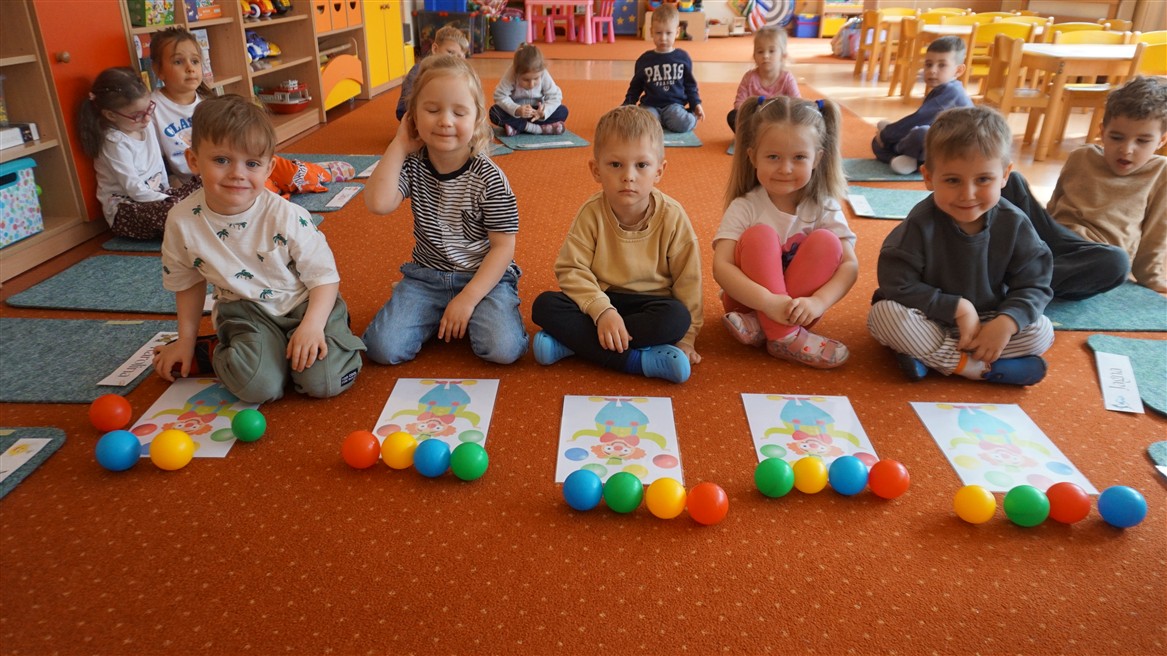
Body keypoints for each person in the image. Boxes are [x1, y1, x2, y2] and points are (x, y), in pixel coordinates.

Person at [152, 95, 365, 403]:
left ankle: (329, 332)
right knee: (258, 388)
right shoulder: (181, 220)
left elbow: (324, 278)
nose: (237, 173)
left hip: (304, 303)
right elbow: (187, 283)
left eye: (251, 163)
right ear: (194, 160)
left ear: (268, 169)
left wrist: (313, 325)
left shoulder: (287, 216)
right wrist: (186, 340)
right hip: (245, 311)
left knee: (325, 381)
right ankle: (215, 350)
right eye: (221, 160)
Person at [868, 106, 1054, 386]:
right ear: (928, 177)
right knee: (883, 316)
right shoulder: (921, 223)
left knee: (1042, 330)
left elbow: (1036, 284)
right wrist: (957, 308)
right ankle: (978, 368)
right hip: (929, 317)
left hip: (989, 320)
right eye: (953, 180)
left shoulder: (1015, 223)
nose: (968, 194)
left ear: (1005, 175)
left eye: (983, 179)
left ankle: (931, 358)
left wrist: (1006, 323)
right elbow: (896, 283)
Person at [362, 55, 528, 366]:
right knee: (382, 348)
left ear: (477, 119)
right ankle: (436, 310)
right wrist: (399, 144)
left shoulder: (489, 178)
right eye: (432, 110)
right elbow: (378, 203)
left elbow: (504, 247)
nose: (445, 121)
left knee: (503, 349)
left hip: (484, 278)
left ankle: (458, 311)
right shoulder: (412, 164)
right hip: (427, 277)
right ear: (412, 116)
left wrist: (468, 298)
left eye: (459, 112)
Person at [531, 105, 701, 384]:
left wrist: (687, 339)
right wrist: (603, 311)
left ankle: (574, 344)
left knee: (676, 319)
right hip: (601, 299)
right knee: (545, 305)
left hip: (651, 306)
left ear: (659, 171)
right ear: (596, 170)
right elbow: (571, 269)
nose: (628, 176)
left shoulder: (673, 216)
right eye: (615, 165)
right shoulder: (591, 213)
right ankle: (636, 361)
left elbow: (688, 280)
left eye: (641, 165)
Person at [713, 96, 857, 369]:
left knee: (828, 242)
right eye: (773, 157)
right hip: (746, 305)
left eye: (799, 157)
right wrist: (768, 303)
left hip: (800, 312)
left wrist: (818, 302)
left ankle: (765, 328)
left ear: (817, 158)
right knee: (760, 236)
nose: (785, 168)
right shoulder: (745, 206)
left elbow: (850, 265)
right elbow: (722, 266)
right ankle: (785, 337)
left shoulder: (824, 206)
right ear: (752, 156)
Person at [148, 27, 353, 194]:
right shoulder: (152, 109)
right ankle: (286, 183)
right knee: (263, 190)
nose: (190, 68)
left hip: (239, 164)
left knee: (278, 167)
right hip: (206, 180)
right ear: (158, 70)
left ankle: (319, 172)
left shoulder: (208, 101)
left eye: (195, 61)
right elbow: (155, 159)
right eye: (178, 62)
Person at [1046, 76, 1167, 292]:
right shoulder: (1081, 156)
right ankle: (1024, 272)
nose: (1126, 149)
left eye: (1142, 141)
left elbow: (1156, 232)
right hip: (1055, 241)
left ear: (1161, 141)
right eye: (1117, 137)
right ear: (1102, 132)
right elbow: (1053, 207)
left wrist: (1151, 276)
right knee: (1013, 183)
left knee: (1117, 262)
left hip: (1098, 257)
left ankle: (1029, 280)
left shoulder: (1161, 173)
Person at [77, 67, 200, 240]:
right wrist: (170, 200)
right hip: (128, 211)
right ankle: (194, 223)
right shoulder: (114, 142)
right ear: (111, 115)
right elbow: (134, 190)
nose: (147, 118)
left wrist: (170, 194)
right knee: (176, 211)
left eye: (149, 109)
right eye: (137, 115)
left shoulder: (145, 125)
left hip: (159, 197)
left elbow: (159, 163)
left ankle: (194, 219)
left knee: (203, 182)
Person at [872, 36, 972, 175]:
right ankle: (904, 158)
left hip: (955, 152)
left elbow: (919, 119)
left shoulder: (951, 93)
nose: (932, 70)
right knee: (913, 133)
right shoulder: (946, 89)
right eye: (928, 64)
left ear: (958, 70)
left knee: (921, 133)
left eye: (942, 65)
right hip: (944, 146)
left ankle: (905, 159)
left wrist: (886, 135)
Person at [623, 4, 704, 133]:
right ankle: (659, 122)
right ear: (651, 32)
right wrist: (627, 104)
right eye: (658, 33)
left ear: (677, 32)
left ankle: (682, 118)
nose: (663, 38)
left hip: (674, 106)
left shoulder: (683, 57)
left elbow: (690, 86)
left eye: (668, 33)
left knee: (682, 122)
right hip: (650, 106)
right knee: (643, 125)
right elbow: (635, 87)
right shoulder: (644, 60)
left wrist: (696, 104)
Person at [727, 25, 800, 132]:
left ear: (783, 56)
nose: (765, 56)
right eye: (760, 52)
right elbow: (739, 103)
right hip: (755, 121)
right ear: (754, 56)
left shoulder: (787, 79)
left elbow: (797, 104)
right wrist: (753, 111)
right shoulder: (749, 77)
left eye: (771, 51)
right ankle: (752, 137)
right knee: (733, 116)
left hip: (778, 122)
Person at [489, 43, 568, 136]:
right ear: (517, 73)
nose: (531, 84)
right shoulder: (512, 73)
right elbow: (499, 95)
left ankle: (517, 127)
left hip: (536, 113)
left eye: (536, 78)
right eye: (526, 80)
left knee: (563, 111)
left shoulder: (543, 73)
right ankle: (538, 129)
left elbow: (555, 96)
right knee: (494, 112)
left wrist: (543, 112)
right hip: (518, 114)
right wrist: (516, 109)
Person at [396, 25, 470, 121]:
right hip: (417, 117)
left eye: (459, 57)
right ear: (435, 49)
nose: (454, 60)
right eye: (450, 53)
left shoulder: (458, 74)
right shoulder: (418, 71)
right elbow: (405, 108)